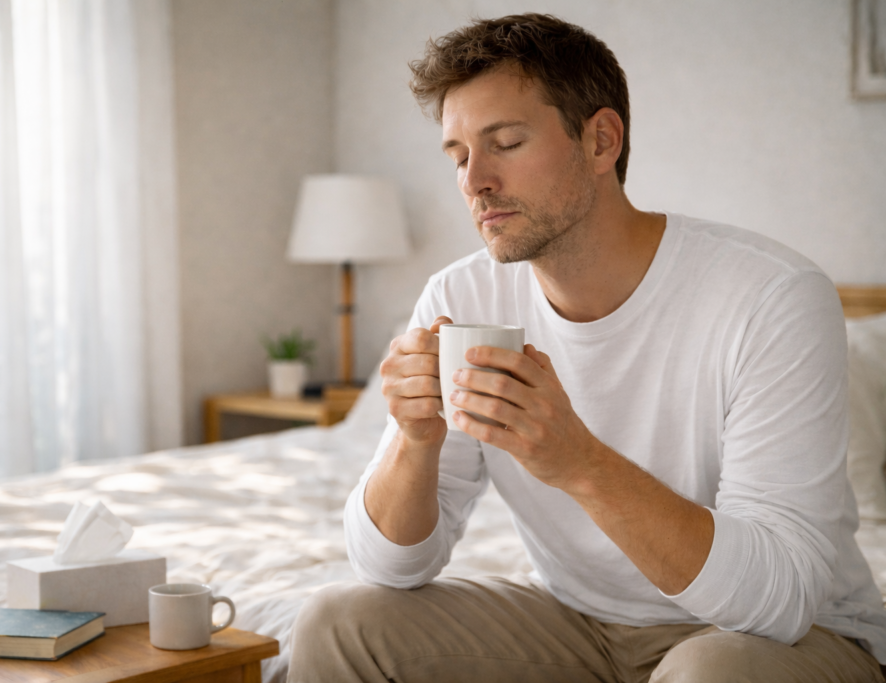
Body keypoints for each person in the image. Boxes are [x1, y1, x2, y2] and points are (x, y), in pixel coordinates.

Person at [287, 13, 886, 682]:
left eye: (505, 142)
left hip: (780, 638)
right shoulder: (462, 297)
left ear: (602, 140)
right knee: (335, 626)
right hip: (580, 627)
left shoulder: (770, 296)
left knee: (710, 671)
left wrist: (580, 463)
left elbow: (780, 598)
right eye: (459, 155)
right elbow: (389, 567)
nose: (473, 180)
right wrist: (414, 441)